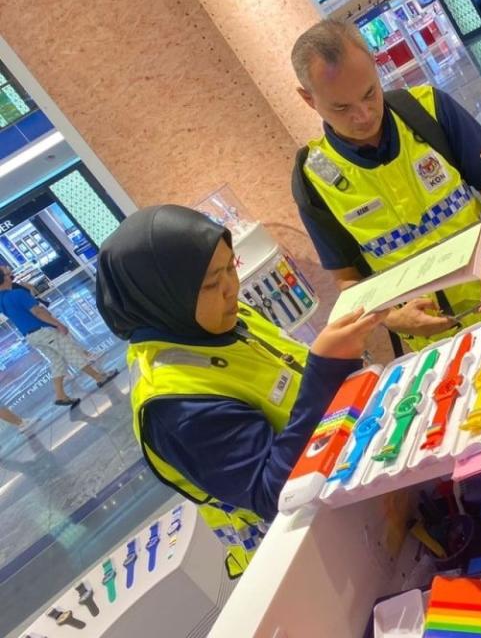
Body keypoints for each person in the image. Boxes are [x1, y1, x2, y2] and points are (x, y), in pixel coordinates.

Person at [95, 205, 384, 577]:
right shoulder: (173, 404)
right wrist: (325, 370)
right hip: (306, 551)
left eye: (230, 267)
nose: (232, 288)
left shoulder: (221, 319)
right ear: (164, 298)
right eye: (212, 284)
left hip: (349, 477)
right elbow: (272, 493)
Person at [290, 19, 481, 353]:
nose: (363, 115)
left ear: (376, 69)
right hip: (433, 343)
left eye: (369, 94)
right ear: (308, 99)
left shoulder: (430, 109)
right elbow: (347, 279)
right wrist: (391, 318)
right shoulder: (313, 178)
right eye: (341, 107)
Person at [0, 264, 117, 408]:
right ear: (2, 279)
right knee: (72, 353)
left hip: (31, 336)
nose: (11, 276)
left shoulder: (2, 299)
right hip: (43, 329)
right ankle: (99, 377)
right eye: (8, 274)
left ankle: (60, 395)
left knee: (57, 362)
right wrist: (57, 324)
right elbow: (38, 312)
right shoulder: (17, 294)